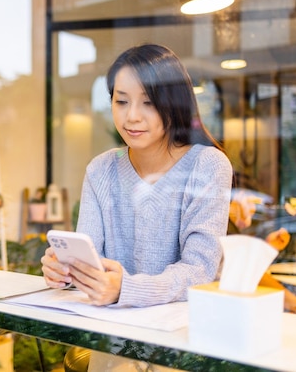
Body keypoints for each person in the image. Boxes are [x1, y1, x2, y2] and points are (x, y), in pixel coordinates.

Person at [41, 43, 233, 308]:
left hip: (181, 336)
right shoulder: (100, 170)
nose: (131, 116)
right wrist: (66, 272)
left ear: (174, 104)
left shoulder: (208, 166)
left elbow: (199, 271)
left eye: (148, 102)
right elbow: (91, 264)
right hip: (110, 334)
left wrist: (126, 289)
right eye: (121, 101)